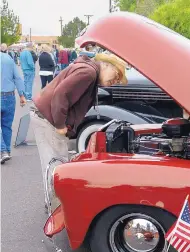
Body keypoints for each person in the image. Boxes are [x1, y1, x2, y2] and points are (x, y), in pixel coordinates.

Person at [31, 53, 127, 206]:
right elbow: (61, 95)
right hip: (47, 118)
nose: (114, 82)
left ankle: (57, 205)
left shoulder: (89, 71)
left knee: (58, 163)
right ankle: (57, 211)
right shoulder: (88, 73)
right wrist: (60, 124)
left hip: (46, 115)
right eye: (116, 76)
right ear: (107, 64)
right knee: (56, 166)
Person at [1, 43, 26, 163]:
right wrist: (22, 95)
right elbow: (17, 77)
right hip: (9, 96)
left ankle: (2, 151)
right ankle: (7, 151)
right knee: (6, 125)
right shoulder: (8, 59)